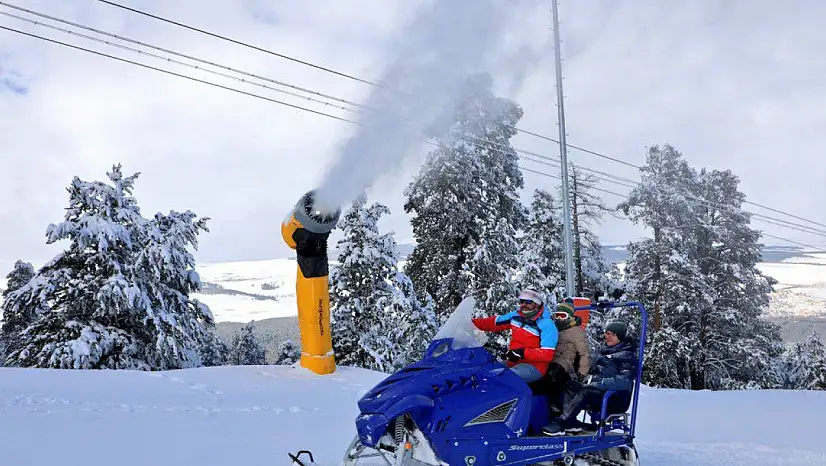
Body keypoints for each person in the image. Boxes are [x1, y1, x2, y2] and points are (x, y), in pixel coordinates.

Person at [542, 321, 637, 436]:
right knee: (569, 385)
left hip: (615, 398)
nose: (607, 336)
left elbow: (624, 381)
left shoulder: (627, 356)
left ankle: (562, 422)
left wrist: (598, 383)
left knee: (586, 392)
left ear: (620, 337)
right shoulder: (605, 350)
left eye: (611, 334)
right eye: (606, 333)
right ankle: (569, 421)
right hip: (600, 392)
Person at [471, 289, 558, 383]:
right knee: (483, 372)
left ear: (537, 304)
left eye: (528, 302)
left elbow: (547, 354)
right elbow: (494, 323)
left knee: (500, 378)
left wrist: (522, 353)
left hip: (534, 367)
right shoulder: (517, 316)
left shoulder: (547, 324)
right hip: (513, 362)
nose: (524, 305)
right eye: (522, 301)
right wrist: (470, 323)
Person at [541, 302, 591, 413]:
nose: (559, 319)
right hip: (549, 358)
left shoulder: (576, 331)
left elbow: (584, 353)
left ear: (570, 317)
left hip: (564, 361)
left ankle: (556, 405)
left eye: (562, 316)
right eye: (557, 315)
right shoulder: (553, 328)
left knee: (553, 374)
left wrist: (582, 373)